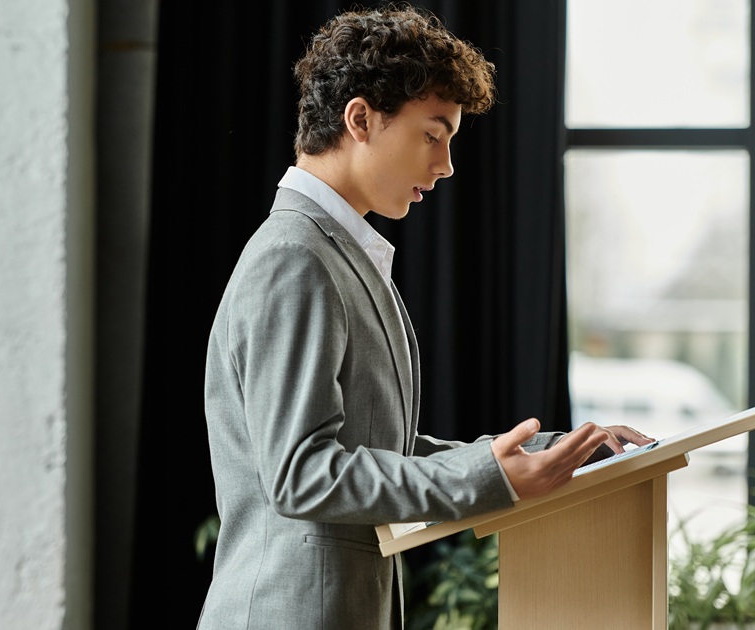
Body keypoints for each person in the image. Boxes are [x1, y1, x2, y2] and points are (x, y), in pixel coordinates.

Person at [198, 6, 652, 629]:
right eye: (433, 135)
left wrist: (557, 453)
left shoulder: (332, 252)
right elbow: (301, 474)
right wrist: (489, 475)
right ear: (360, 119)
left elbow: (379, 451)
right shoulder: (294, 258)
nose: (445, 166)